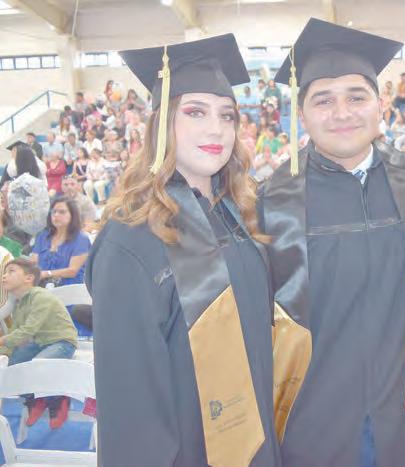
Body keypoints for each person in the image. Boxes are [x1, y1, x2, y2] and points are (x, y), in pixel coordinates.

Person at [86, 34, 280, 467]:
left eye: (227, 115)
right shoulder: (131, 238)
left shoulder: (239, 218)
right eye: (195, 112)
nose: (216, 129)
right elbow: (130, 409)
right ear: (161, 125)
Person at [259, 19, 405, 467]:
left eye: (356, 97)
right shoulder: (271, 200)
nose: (342, 113)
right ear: (302, 114)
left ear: (380, 105)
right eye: (323, 100)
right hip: (314, 425)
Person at [0, 257, 78, 429]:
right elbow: (16, 334)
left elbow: (27, 331)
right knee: (12, 366)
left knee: (39, 364)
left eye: (11, 271)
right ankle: (35, 399)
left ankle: (58, 399)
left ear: (29, 278)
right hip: (38, 343)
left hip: (61, 341)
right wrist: (4, 353)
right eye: (4, 272)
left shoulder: (40, 297)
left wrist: (2, 341)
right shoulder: (19, 304)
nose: (4, 276)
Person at [31, 197, 90, 287]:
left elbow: (72, 271)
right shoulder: (43, 236)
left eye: (62, 212)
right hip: (41, 287)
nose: (56, 215)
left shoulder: (81, 239)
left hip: (69, 289)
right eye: (53, 212)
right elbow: (33, 263)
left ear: (72, 215)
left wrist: (47, 273)